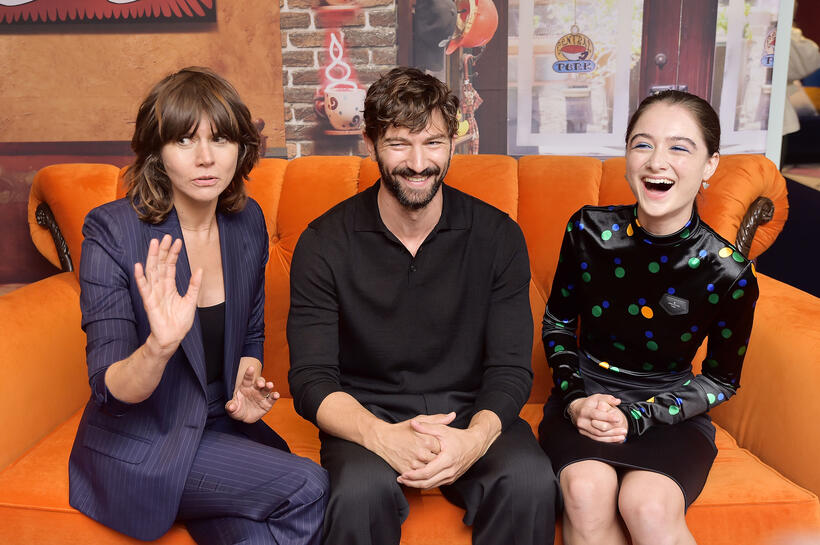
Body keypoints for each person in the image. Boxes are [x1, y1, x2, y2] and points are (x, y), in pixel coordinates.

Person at [287, 66, 558, 545]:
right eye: (398, 144)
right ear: (369, 145)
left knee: (530, 482)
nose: (418, 162)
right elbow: (311, 378)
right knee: (357, 494)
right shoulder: (324, 242)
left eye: (432, 142)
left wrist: (474, 439)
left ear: (453, 144)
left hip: (473, 410)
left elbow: (511, 369)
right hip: (366, 413)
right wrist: (379, 436)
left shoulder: (497, 237)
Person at [68, 66, 328, 545]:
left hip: (220, 423)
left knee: (252, 536)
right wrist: (159, 348)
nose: (206, 158)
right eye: (185, 141)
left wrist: (246, 377)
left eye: (222, 140)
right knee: (309, 485)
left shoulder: (245, 221)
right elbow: (110, 389)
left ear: (242, 149)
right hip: (144, 439)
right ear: (158, 152)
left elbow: (250, 331)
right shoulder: (111, 231)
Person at [538, 90, 759, 545]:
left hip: (668, 410)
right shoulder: (587, 229)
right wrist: (576, 399)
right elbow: (558, 323)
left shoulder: (728, 269)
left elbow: (721, 380)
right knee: (585, 489)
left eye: (680, 147)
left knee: (648, 505)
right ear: (626, 156)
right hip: (584, 397)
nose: (657, 161)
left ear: (710, 165)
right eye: (643, 144)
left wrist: (642, 416)